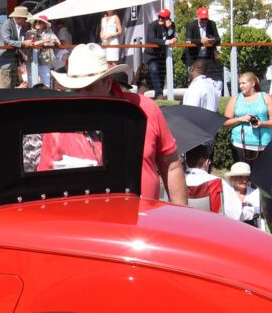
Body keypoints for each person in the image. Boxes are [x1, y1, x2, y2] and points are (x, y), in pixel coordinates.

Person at [49, 43, 186, 204]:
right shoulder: (57, 122)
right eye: (76, 89)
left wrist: (182, 216)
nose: (82, 96)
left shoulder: (145, 109)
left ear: (108, 81)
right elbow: (46, 182)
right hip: (82, 225)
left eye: (89, 88)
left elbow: (171, 166)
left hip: (144, 224)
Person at [224, 72, 272, 163]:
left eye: (243, 83)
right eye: (240, 83)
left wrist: (262, 123)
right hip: (239, 144)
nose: (241, 86)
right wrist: (240, 119)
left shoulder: (265, 97)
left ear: (253, 83)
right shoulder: (235, 99)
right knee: (243, 176)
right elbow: (225, 122)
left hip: (263, 144)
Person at [0, 6, 30, 88]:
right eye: (25, 19)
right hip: (5, 60)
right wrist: (22, 43)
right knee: (5, 86)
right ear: (20, 18)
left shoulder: (21, 27)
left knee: (13, 86)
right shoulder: (7, 24)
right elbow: (6, 41)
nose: (26, 21)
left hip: (14, 60)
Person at [145, 9, 175, 97]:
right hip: (151, 55)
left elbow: (172, 37)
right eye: (159, 17)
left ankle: (158, 95)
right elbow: (152, 39)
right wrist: (167, 42)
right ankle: (159, 94)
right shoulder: (152, 25)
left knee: (162, 75)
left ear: (168, 19)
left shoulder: (171, 25)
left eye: (163, 18)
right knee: (154, 70)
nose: (160, 19)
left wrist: (169, 29)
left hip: (162, 55)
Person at [185, 6, 220, 75]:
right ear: (198, 17)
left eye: (206, 19)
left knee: (209, 79)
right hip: (193, 58)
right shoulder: (191, 25)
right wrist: (200, 41)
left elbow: (218, 39)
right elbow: (187, 41)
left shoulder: (212, 24)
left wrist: (212, 41)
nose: (204, 21)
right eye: (202, 19)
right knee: (194, 80)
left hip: (208, 57)